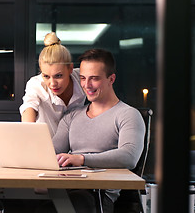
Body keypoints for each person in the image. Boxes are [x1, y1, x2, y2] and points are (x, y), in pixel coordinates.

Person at [52, 48, 146, 213]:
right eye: (83, 78)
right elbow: (50, 152)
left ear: (111, 79)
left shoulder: (128, 115)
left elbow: (129, 156)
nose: (87, 85)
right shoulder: (72, 115)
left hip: (99, 195)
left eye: (94, 79)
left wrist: (82, 159)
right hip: (68, 186)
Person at [19, 32, 86, 136]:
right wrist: (27, 134)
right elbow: (29, 107)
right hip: (45, 145)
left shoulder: (82, 78)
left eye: (58, 76)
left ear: (70, 69)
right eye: (46, 76)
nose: (52, 84)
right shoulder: (36, 84)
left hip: (76, 146)